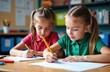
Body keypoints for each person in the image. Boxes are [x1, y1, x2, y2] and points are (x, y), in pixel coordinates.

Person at [43, 6, 110, 63]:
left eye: (75, 29)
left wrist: (83, 58)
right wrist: (48, 55)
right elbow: (47, 50)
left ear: (86, 28)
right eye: (67, 27)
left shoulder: (94, 40)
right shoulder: (66, 38)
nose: (69, 32)